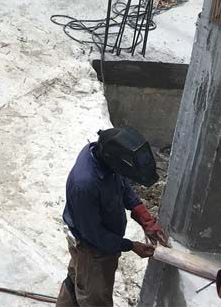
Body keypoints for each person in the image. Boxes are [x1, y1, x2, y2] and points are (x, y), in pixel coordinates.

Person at [57, 127, 170, 307]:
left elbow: (123, 185)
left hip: (100, 241)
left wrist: (146, 220)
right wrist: (131, 246)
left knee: (77, 280)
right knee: (95, 298)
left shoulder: (106, 155)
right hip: (92, 250)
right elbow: (95, 235)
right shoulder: (84, 185)